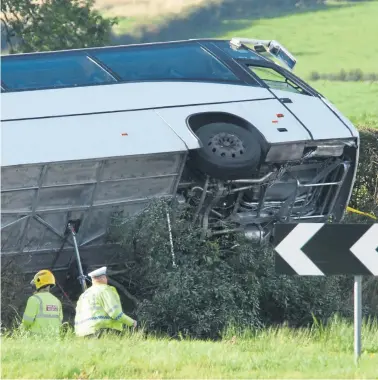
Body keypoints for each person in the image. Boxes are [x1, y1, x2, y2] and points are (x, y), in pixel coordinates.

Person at [74, 266, 137, 338]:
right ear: (103, 278)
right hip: (103, 332)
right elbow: (115, 313)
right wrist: (132, 323)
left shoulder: (83, 295)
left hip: (83, 334)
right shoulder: (105, 290)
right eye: (105, 277)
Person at [21, 269, 63, 336]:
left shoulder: (34, 299)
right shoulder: (57, 301)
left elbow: (27, 321)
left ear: (38, 283)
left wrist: (21, 332)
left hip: (37, 340)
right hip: (54, 340)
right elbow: (60, 322)